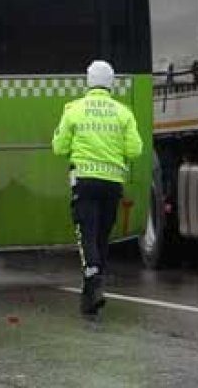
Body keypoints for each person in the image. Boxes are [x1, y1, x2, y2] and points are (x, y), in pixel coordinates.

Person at [51, 60, 142, 316]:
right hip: (112, 184)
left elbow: (58, 147)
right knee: (102, 236)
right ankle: (91, 295)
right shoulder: (123, 113)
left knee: (86, 235)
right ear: (111, 82)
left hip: (85, 182)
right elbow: (135, 149)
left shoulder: (74, 110)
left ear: (88, 81)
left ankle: (94, 277)